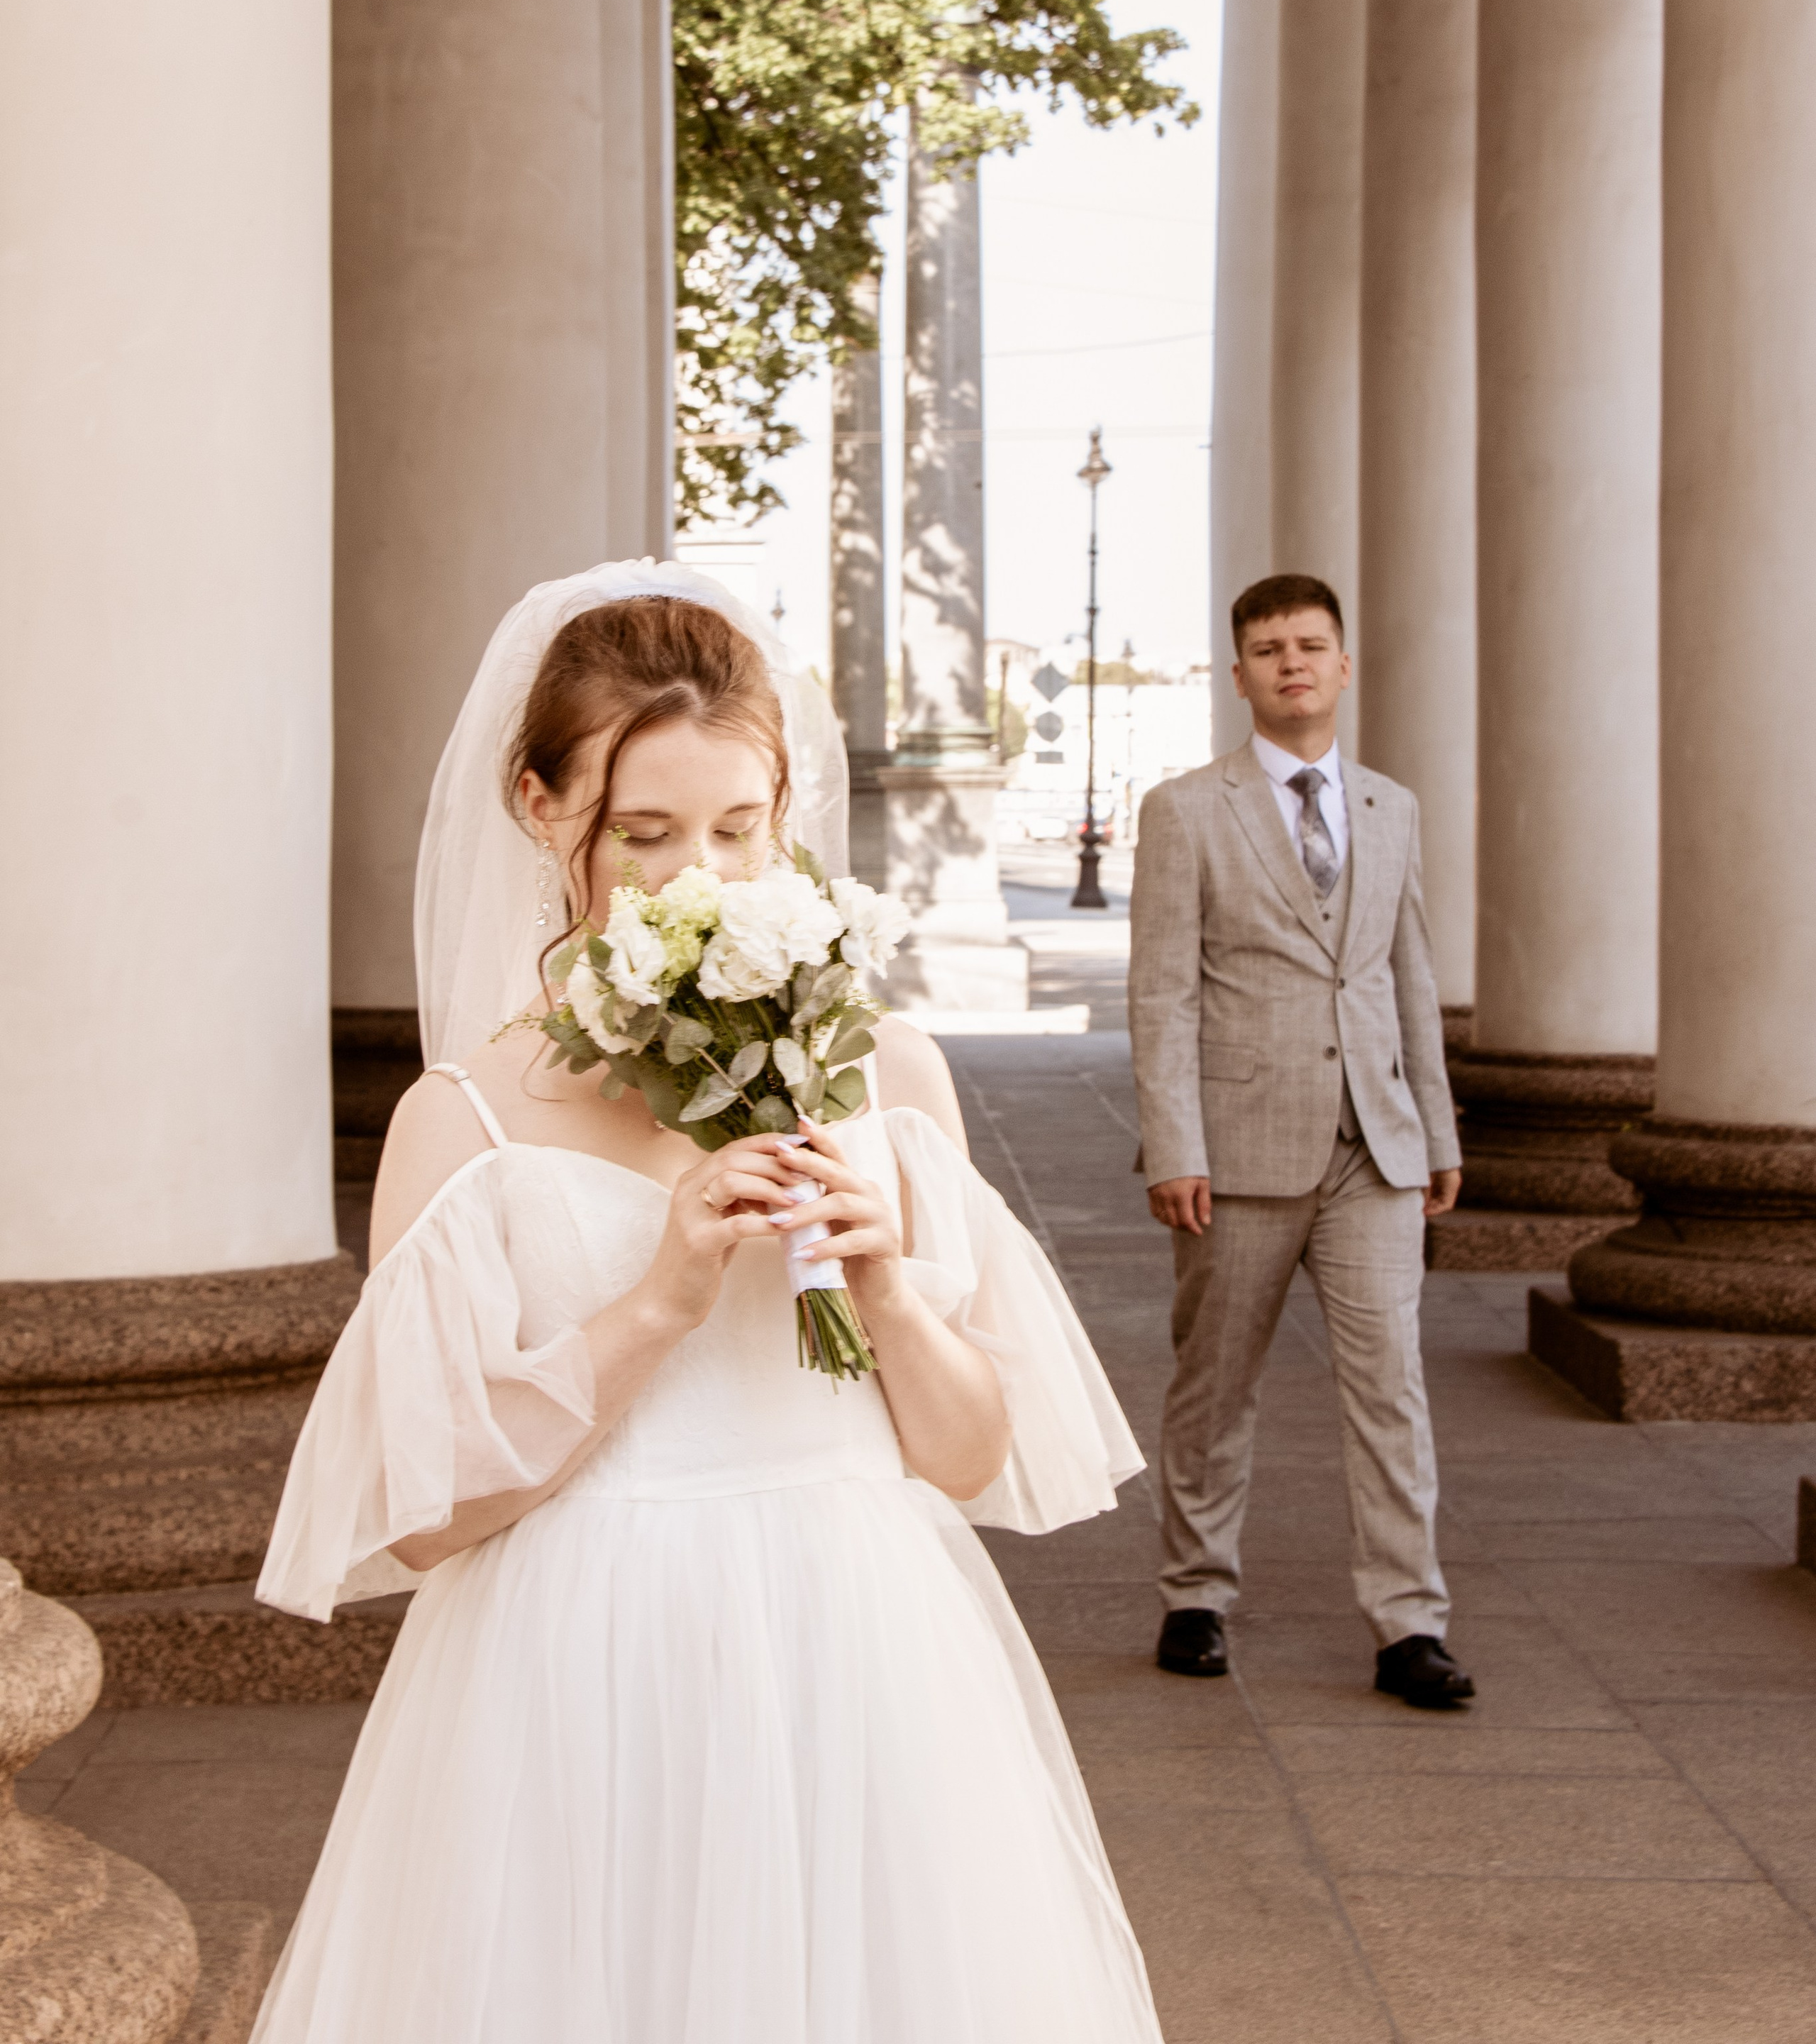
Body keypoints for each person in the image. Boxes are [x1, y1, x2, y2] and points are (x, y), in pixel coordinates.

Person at [251, 562, 1163, 2043]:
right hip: (574, 1670)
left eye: (740, 830)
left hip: (859, 1645)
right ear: (543, 809)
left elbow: (967, 1453)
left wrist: (880, 1287)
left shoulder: (887, 1074)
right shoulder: (464, 1119)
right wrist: (660, 1300)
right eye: (646, 834)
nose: (704, 882)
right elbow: (423, 1516)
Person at [1127, 573, 1473, 1711]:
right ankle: (1195, 1595)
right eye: (1269, 649)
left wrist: (1433, 1124)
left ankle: (1409, 1624)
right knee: (1216, 1382)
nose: (1292, 664)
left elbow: (1407, 974)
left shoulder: (1390, 807)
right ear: (1240, 676)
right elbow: (1164, 991)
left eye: (1311, 646)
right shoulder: (1187, 810)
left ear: (1343, 664)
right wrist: (1175, 1143)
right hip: (1238, 1151)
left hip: (1373, 1148)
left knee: (1392, 1390)